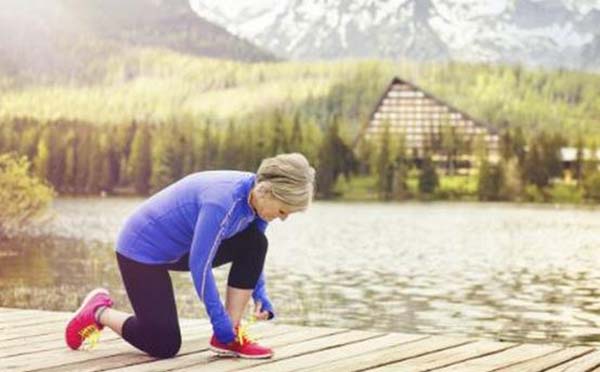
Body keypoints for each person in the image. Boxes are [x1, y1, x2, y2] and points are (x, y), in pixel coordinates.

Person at [64, 153, 316, 359]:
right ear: (267, 191)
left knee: (256, 240)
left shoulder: (257, 200)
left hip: (180, 248)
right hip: (141, 250)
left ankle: (229, 337)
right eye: (283, 210)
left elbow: (252, 245)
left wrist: (260, 294)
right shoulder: (223, 202)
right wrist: (219, 322)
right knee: (164, 345)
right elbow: (200, 265)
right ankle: (98, 312)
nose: (283, 217)